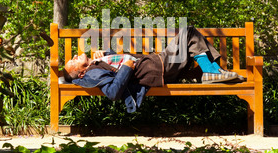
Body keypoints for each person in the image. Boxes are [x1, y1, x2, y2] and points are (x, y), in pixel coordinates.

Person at [63, 26, 241, 113]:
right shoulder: (92, 74)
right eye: (73, 61)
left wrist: (105, 54)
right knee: (189, 33)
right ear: (81, 73)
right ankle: (212, 71)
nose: (74, 56)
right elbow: (113, 91)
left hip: (157, 64)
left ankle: (212, 71)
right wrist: (127, 66)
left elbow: (114, 65)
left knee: (189, 36)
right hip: (158, 67)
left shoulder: (94, 65)